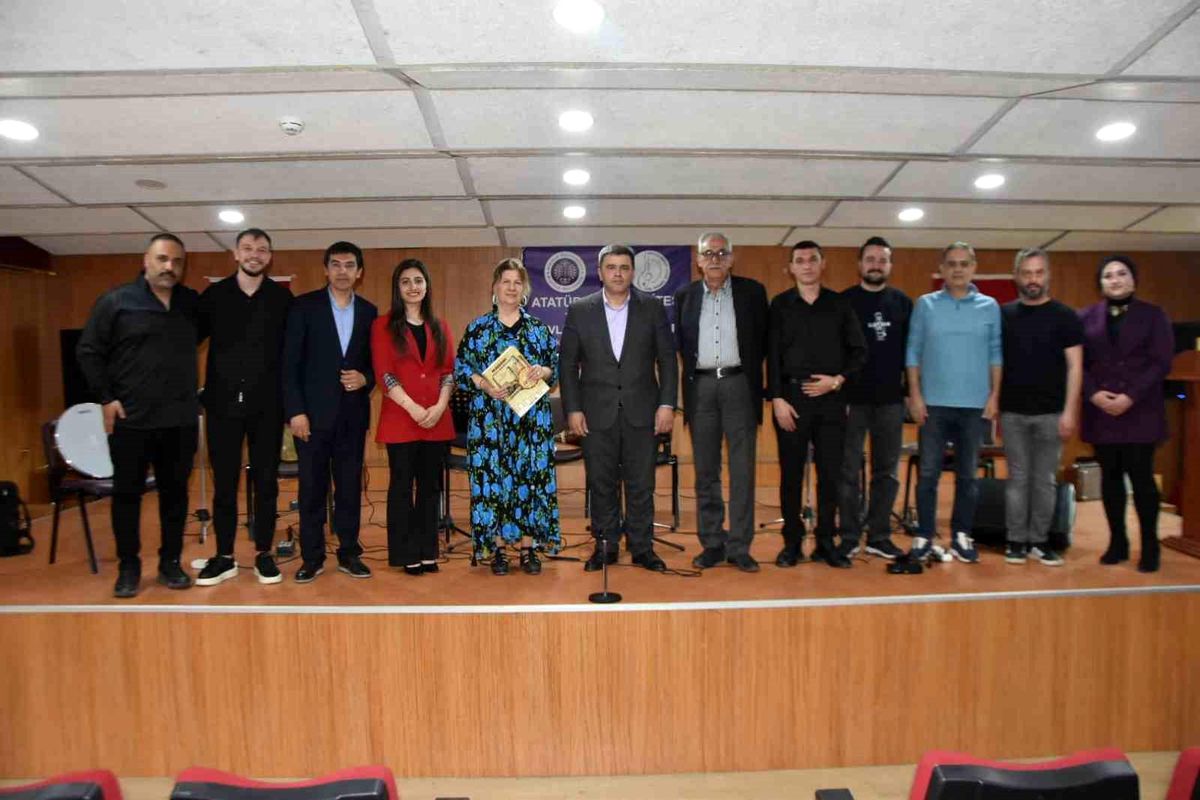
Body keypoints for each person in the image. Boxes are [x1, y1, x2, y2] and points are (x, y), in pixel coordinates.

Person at [76, 233, 201, 598]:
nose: (169, 267)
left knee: (175, 497)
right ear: (146, 261)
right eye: (162, 259)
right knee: (127, 496)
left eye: (177, 262)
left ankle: (170, 563)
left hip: (179, 420)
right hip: (131, 419)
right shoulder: (116, 302)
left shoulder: (190, 303)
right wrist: (106, 398)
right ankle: (128, 567)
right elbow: (88, 351)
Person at [559, 244, 678, 572]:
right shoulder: (580, 309)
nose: (618, 273)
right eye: (611, 267)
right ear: (600, 272)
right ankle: (605, 546)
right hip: (596, 414)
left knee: (641, 484)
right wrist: (573, 409)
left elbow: (667, 360)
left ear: (632, 272)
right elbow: (567, 364)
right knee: (601, 483)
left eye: (624, 267)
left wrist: (667, 403)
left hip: (644, 412)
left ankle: (642, 548)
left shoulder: (651, 307)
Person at [194, 228, 293, 587]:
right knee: (224, 485)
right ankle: (224, 557)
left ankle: (264, 554)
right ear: (236, 254)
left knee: (266, 483)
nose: (255, 254)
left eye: (262, 249)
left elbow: (293, 354)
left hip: (267, 408)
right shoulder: (214, 296)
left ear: (270, 257)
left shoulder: (281, 299)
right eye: (248, 248)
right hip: (222, 407)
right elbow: (187, 341)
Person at [456, 258, 562, 575]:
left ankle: (529, 549)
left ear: (524, 288)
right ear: (495, 286)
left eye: (518, 282)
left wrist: (542, 371)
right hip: (490, 422)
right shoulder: (477, 329)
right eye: (506, 281)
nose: (512, 288)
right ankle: (498, 550)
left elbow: (554, 369)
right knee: (493, 483)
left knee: (532, 480)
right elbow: (461, 369)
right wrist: (484, 384)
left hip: (531, 422)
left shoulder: (538, 329)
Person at [768, 240, 866, 569]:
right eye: (800, 260)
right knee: (791, 476)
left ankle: (825, 542)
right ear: (791, 268)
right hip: (792, 401)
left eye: (813, 259)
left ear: (823, 265)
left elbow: (859, 352)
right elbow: (771, 355)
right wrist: (777, 399)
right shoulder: (780, 305)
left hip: (831, 400)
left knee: (830, 475)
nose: (807, 265)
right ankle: (792, 543)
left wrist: (837, 380)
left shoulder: (840, 305)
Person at [282, 241, 377, 583]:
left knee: (349, 489)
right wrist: (295, 412)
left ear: (359, 272)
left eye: (349, 265)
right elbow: (289, 364)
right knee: (311, 490)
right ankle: (312, 557)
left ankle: (349, 553)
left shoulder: (369, 312)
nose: (342, 271)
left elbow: (376, 363)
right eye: (335, 264)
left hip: (352, 417)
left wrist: (366, 378)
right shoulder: (303, 307)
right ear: (326, 270)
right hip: (312, 419)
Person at [674, 232, 768, 572]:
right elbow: (681, 346)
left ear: (731, 259)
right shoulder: (685, 296)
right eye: (708, 253)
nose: (714, 259)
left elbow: (764, 341)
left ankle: (740, 547)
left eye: (721, 253)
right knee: (705, 471)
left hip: (739, 384)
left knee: (742, 470)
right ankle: (712, 543)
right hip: (700, 387)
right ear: (698, 260)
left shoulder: (752, 292)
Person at [906, 241, 1001, 564]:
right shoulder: (926, 305)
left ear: (973, 268)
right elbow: (913, 352)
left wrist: (994, 395)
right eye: (951, 264)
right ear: (942, 269)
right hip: (933, 405)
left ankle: (962, 535)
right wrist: (915, 395)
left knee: (968, 475)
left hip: (974, 406)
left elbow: (996, 354)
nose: (958, 269)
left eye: (964, 263)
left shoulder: (990, 307)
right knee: (928, 474)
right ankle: (924, 535)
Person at [1079, 255, 1174, 573]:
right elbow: (1078, 363)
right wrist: (1093, 393)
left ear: (1133, 280)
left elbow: (1161, 362)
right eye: (1108, 275)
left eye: (1122, 274)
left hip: (1139, 410)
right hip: (1101, 410)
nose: (1115, 280)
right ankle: (1117, 541)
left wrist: (1130, 396)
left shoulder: (1154, 315)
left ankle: (1150, 545)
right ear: (1100, 283)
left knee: (1142, 479)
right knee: (1110, 479)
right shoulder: (1085, 317)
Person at [999, 248, 1083, 567]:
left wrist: (1070, 411)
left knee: (1044, 479)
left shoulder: (1066, 316)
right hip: (1012, 412)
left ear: (1047, 275)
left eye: (1038, 272)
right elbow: (995, 363)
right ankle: (1016, 540)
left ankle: (1040, 541)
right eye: (1026, 273)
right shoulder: (1004, 315)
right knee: (1018, 478)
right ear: (1016, 277)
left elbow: (1075, 367)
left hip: (1052, 413)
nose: (1032, 279)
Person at [371, 259, 455, 575]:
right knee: (402, 487)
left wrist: (440, 406)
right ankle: (406, 553)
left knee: (431, 488)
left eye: (418, 280)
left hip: (436, 419)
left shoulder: (440, 326)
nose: (413, 287)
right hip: (401, 419)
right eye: (405, 281)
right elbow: (384, 373)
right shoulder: (382, 326)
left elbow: (448, 371)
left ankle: (428, 550)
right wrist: (414, 408)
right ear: (397, 288)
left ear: (426, 286)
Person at [837, 236, 912, 561]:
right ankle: (849, 536)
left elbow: (912, 354)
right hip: (851, 400)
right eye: (870, 259)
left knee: (887, 471)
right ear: (860, 264)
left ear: (890, 265)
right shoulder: (844, 302)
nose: (876, 265)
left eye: (882, 260)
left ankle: (879, 535)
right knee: (848, 470)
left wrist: (911, 393)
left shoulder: (902, 303)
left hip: (890, 401)